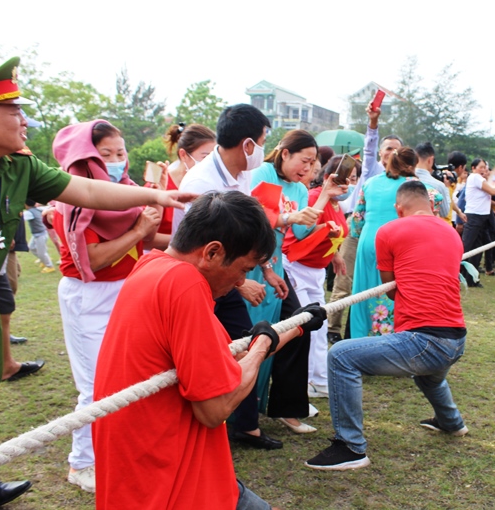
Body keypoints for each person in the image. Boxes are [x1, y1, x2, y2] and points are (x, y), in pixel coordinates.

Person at [0, 56, 194, 508]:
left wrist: (156, 193)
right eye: (14, 111)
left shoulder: (19, 168)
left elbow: (91, 193)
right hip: (83, 296)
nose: (23, 121)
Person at [93, 191, 327, 510]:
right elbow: (215, 409)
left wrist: (295, 327)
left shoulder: (153, 266)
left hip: (157, 473)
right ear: (213, 252)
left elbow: (225, 362)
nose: (241, 281)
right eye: (244, 269)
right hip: (171, 487)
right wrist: (262, 346)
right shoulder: (185, 285)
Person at [305, 181, 467, 471]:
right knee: (429, 376)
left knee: (341, 355)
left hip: (426, 341)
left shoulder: (389, 231)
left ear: (398, 208)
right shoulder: (452, 233)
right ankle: (452, 422)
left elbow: (390, 290)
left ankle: (351, 447)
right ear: (431, 205)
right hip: (456, 339)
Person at [52, 120, 164, 493]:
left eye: (121, 153)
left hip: (124, 290)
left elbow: (148, 241)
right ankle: (82, 463)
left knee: (123, 378)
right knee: (95, 385)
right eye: (106, 156)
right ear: (85, 160)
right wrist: (138, 231)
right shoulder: (75, 201)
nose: (117, 161)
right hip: (90, 295)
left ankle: (115, 451)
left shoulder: (125, 192)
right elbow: (94, 259)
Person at [175, 104, 285, 451]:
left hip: (224, 279)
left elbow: (245, 233)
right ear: (248, 144)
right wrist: (240, 281)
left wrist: (262, 268)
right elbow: (202, 252)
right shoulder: (202, 183)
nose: (266, 149)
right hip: (201, 283)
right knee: (226, 348)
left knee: (242, 342)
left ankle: (243, 425)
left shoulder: (242, 175)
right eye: (265, 141)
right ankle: (215, 421)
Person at [246, 129, 342, 433]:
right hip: (248, 266)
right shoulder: (260, 173)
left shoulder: (299, 189)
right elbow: (252, 219)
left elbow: (299, 233)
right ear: (285, 153)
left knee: (299, 324)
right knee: (246, 336)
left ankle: (287, 409)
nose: (308, 168)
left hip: (275, 267)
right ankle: (240, 413)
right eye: (305, 160)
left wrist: (325, 196)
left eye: (313, 163)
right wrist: (265, 265)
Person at [283, 155, 356, 400]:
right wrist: (322, 231)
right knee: (305, 326)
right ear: (328, 178)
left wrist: (335, 254)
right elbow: (299, 232)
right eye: (346, 179)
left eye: (353, 180)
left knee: (319, 325)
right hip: (296, 267)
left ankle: (319, 379)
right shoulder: (315, 198)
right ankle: (305, 382)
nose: (349, 185)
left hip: (316, 270)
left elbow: (333, 232)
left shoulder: (338, 204)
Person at [349, 146, 440, 337]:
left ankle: (359, 337)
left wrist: (359, 235)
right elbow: (436, 199)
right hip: (395, 242)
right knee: (389, 290)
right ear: (412, 165)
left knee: (363, 291)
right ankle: (385, 337)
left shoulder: (370, 182)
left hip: (367, 241)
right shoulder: (412, 184)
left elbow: (357, 218)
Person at [327, 106, 399, 342]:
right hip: (358, 235)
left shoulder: (406, 180)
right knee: (345, 284)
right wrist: (373, 122)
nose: (393, 153)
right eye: (389, 149)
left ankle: (376, 334)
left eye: (398, 150)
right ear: (380, 152)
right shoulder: (371, 170)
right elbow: (369, 146)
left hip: (387, 243)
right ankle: (333, 329)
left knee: (379, 288)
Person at [159, 123, 215, 234]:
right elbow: (147, 239)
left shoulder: (210, 184)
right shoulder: (160, 184)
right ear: (183, 154)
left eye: (214, 157)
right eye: (205, 157)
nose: (211, 163)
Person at [461, 158, 495, 286]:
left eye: (485, 168)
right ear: (473, 168)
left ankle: (471, 279)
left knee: (477, 249)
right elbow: (493, 191)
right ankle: (453, 276)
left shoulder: (480, 180)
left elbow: (493, 196)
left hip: (481, 217)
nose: (484, 170)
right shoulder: (476, 177)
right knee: (466, 247)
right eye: (481, 167)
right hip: (474, 216)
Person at [414, 141, 450, 218]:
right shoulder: (438, 185)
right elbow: (445, 213)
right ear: (431, 160)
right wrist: (446, 188)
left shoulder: (403, 180)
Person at [23, 200, 55, 272]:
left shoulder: (29, 212)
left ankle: (50, 266)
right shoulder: (37, 209)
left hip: (40, 235)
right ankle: (44, 259)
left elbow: (22, 218)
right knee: (31, 247)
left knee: (42, 253)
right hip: (37, 234)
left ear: (26, 205)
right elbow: (47, 207)